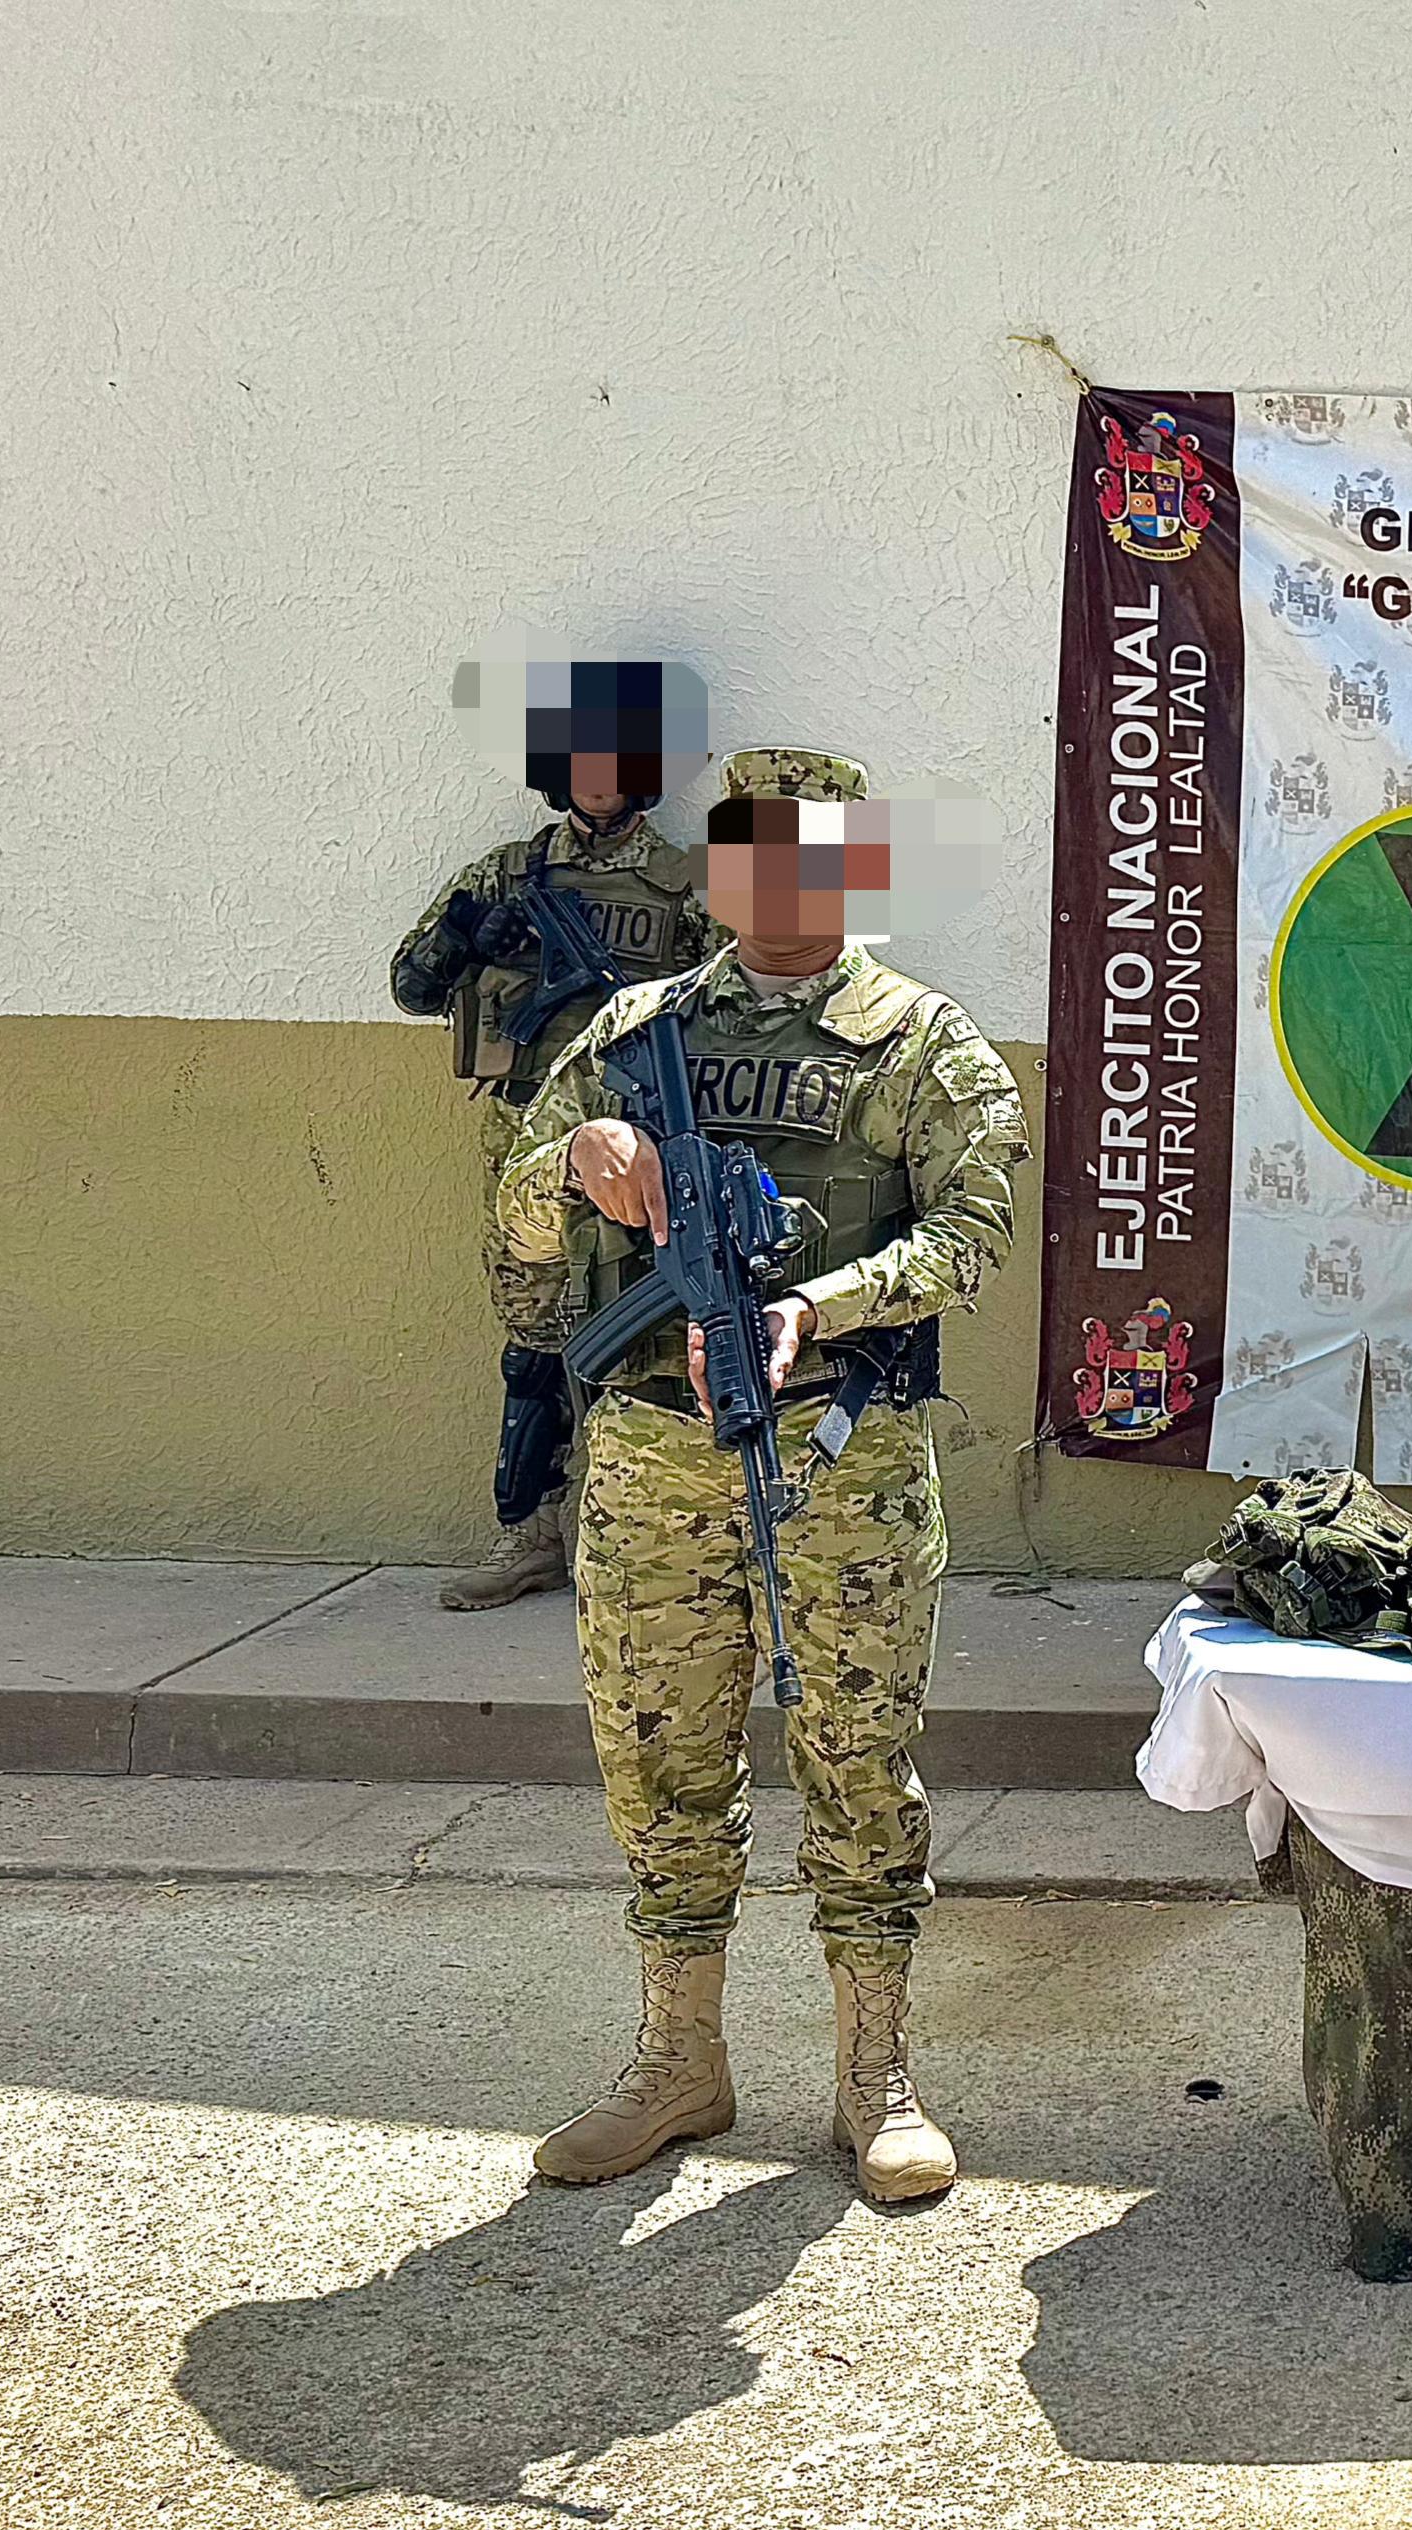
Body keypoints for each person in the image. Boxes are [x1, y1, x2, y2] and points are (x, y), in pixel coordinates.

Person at [491, 748, 1028, 2205]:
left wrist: (819, 1307)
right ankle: (678, 2062)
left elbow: (970, 1238)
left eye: (813, 854)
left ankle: (877, 2077)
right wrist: (579, 1158)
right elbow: (518, 1232)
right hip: (652, 1457)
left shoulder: (923, 1044)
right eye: (754, 854)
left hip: (841, 1456)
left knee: (857, 1751)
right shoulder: (631, 1027)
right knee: (659, 1752)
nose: (780, 881)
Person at [389, 660, 723, 1608]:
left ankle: (638, 1543)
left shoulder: (685, 883)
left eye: (617, 756)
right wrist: (468, 936)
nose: (597, 772)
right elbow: (411, 989)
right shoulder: (509, 873)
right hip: (524, 1150)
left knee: (645, 1340)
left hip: (640, 1142)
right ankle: (527, 1534)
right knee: (532, 1346)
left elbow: (727, 1012)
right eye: (580, 755)